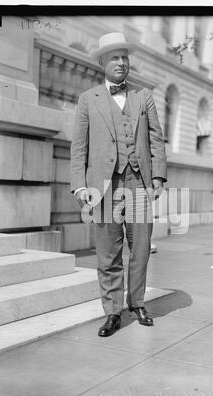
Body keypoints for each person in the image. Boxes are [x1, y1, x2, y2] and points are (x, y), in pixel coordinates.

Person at [70, 32, 167, 337]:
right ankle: (112, 311)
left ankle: (137, 302)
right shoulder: (88, 99)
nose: (122, 63)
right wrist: (79, 186)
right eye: (115, 57)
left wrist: (158, 177)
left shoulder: (143, 97)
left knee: (140, 248)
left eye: (125, 57)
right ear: (103, 62)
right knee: (108, 252)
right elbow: (79, 148)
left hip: (138, 181)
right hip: (103, 186)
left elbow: (155, 139)